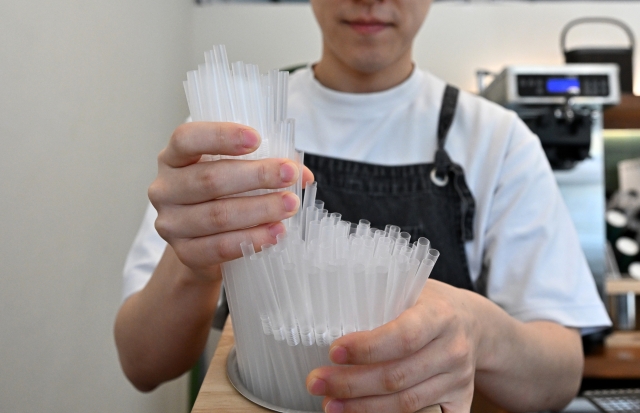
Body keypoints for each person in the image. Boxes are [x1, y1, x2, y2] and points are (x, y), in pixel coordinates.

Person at [114, 0, 611, 412]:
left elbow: (560, 375)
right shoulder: (235, 127)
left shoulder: (499, 141)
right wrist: (193, 264)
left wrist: (478, 330)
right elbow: (143, 364)